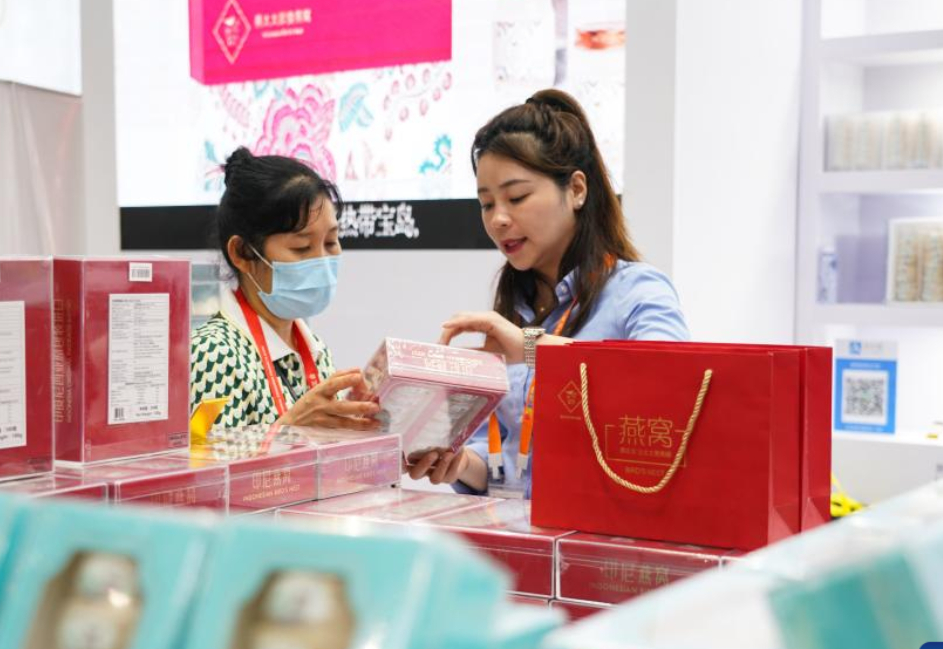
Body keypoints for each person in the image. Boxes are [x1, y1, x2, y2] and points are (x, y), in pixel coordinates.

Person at [408, 89, 690, 496]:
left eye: (517, 197)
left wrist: (530, 347)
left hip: (605, 534)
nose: (499, 219)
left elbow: (670, 384)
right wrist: (459, 464)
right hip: (521, 540)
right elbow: (509, 462)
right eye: (486, 204)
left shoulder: (638, 291)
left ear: (576, 189)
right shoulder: (517, 306)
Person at [190, 148, 380, 430]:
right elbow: (204, 466)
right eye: (301, 248)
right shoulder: (212, 353)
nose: (322, 261)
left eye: (331, 242)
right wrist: (287, 430)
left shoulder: (314, 349)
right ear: (242, 253)